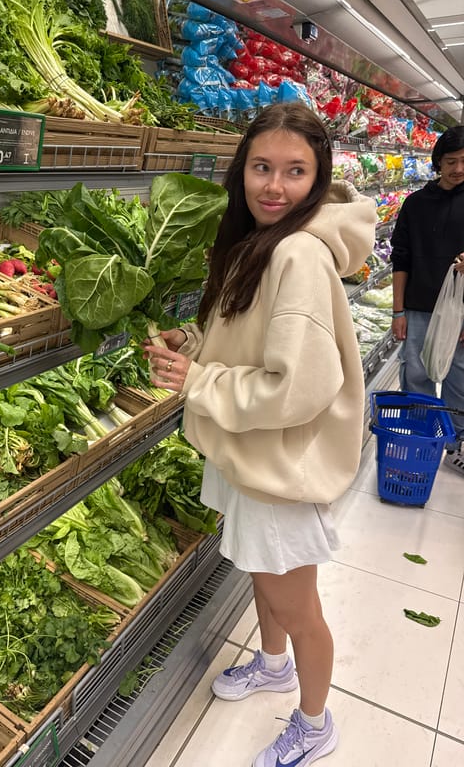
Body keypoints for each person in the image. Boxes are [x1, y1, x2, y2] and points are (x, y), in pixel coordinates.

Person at [143, 102, 376, 767]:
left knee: (293, 599)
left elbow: (295, 388)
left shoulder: (298, 254)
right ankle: (272, 663)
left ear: (319, 175)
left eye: (295, 172)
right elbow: (246, 338)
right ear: (241, 170)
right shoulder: (259, 243)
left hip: (280, 462)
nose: (275, 186)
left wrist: (198, 382)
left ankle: (315, 722)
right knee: (260, 573)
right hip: (251, 451)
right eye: (262, 167)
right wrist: (193, 345)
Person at [390, 125, 464, 474]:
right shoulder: (415, 204)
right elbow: (400, 259)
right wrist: (398, 311)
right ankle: (419, 437)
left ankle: (452, 444)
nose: (458, 169)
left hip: (460, 312)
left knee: (458, 379)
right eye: (451, 161)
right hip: (418, 307)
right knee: (416, 376)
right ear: (438, 163)